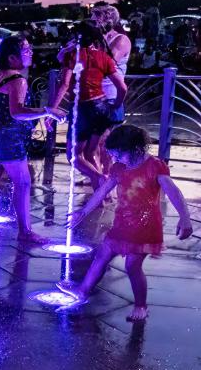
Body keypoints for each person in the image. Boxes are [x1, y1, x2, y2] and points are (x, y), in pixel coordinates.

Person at [57, 125, 193, 322]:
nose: (114, 158)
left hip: (145, 228)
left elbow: (174, 192)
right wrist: (83, 211)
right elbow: (102, 191)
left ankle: (141, 306)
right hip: (122, 224)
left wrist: (185, 217)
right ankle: (83, 290)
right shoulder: (119, 168)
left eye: (117, 154)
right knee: (102, 254)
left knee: (132, 266)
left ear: (136, 149)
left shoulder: (155, 167)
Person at [0, 35, 62, 243]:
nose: (31, 52)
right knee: (22, 183)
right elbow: (17, 112)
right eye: (26, 50)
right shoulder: (17, 79)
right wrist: (47, 111)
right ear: (13, 57)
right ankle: (25, 231)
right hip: (9, 139)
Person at [48, 21, 126, 192]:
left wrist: (51, 110)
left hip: (83, 110)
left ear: (77, 37)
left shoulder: (73, 57)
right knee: (90, 152)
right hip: (102, 107)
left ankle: (100, 178)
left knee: (73, 156)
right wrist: (115, 106)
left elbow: (64, 85)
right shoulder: (104, 57)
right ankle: (102, 196)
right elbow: (122, 87)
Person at [91, 5, 131, 175]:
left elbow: (108, 62)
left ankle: (108, 176)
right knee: (91, 141)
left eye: (95, 19)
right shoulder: (97, 40)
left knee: (104, 141)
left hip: (110, 96)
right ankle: (96, 174)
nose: (92, 22)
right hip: (93, 96)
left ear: (107, 20)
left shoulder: (120, 40)